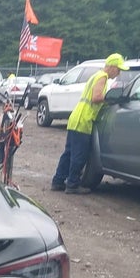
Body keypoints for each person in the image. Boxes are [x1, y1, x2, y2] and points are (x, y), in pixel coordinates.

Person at [51, 53, 129, 194]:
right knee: (79, 154)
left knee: (68, 152)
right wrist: (110, 100)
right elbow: (96, 97)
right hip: (84, 119)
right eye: (118, 69)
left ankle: (58, 181)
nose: (119, 73)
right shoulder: (103, 77)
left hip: (76, 117)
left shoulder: (96, 75)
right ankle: (72, 184)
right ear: (112, 67)